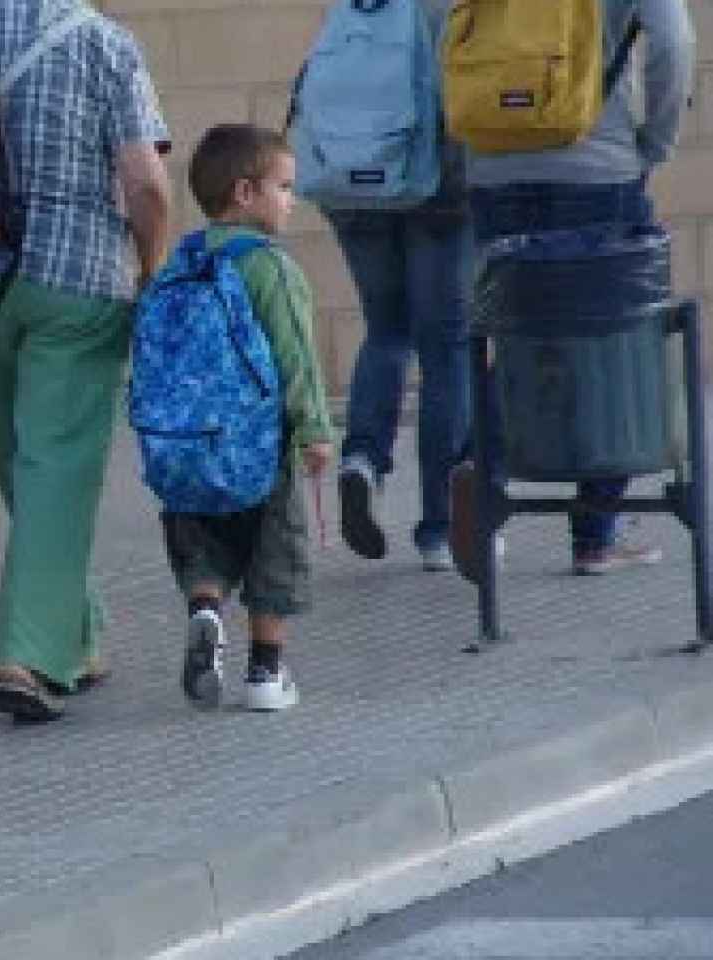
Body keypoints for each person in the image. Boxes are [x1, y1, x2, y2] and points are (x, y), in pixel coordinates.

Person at [0, 0, 174, 722]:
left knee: (21, 457)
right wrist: (151, 269)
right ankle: (27, 655)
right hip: (75, 283)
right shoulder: (103, 43)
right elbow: (145, 182)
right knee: (56, 467)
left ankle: (77, 635)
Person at [449, 0, 695, 579]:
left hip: (494, 165)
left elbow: (444, 30)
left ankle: (477, 471)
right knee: (614, 346)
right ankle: (596, 532)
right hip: (597, 168)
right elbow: (674, 42)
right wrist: (654, 141)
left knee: (511, 339)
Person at [165, 124, 334, 712]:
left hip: (189, 442)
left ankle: (206, 611)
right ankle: (265, 672)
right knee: (273, 553)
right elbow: (296, 357)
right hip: (261, 446)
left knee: (205, 543)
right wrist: (313, 428)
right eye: (283, 187)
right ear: (245, 193)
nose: (291, 200)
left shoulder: (183, 260)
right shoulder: (270, 268)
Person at [325, 0, 473, 573]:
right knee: (445, 348)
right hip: (435, 187)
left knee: (386, 332)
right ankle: (442, 526)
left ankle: (362, 459)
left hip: (353, 184)